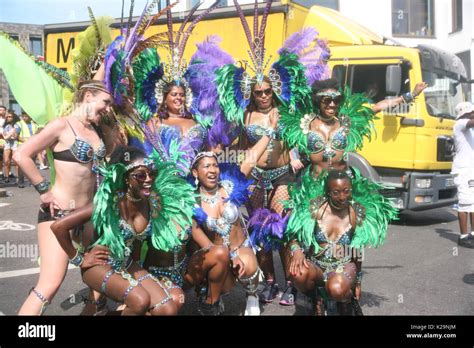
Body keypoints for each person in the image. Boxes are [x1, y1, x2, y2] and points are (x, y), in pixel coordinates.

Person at [51, 145, 194, 315]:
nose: (148, 179)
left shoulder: (150, 203)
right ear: (127, 178)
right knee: (140, 301)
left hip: (127, 264)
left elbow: (141, 243)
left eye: (151, 173)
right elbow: (58, 226)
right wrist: (79, 259)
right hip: (100, 265)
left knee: (167, 309)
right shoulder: (109, 203)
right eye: (140, 175)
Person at [13, 80, 112, 315]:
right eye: (105, 102)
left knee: (99, 281)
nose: (108, 108)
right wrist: (44, 190)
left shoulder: (97, 129)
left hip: (89, 218)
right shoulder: (61, 125)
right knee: (49, 285)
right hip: (60, 216)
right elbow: (21, 155)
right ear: (88, 96)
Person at [285, 169, 396, 315]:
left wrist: (357, 282)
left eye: (346, 191)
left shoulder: (356, 214)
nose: (342, 197)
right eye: (336, 192)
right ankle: (315, 300)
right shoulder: (314, 209)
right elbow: (291, 235)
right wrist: (297, 250)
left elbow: (357, 252)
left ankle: (346, 302)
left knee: (337, 288)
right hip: (316, 265)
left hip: (342, 266)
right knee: (298, 273)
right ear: (327, 191)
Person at [452, 102, 474, 248]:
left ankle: (472, 234)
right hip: (463, 170)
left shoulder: (469, 129)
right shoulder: (460, 124)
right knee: (465, 204)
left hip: (470, 169)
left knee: (473, 203)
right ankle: (463, 236)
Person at [17, 112, 40, 188]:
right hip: (22, 146)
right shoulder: (19, 124)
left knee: (32, 164)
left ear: (30, 117)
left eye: (26, 116)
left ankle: (32, 181)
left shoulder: (35, 125)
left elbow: (38, 134)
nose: (24, 118)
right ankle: (21, 181)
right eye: (23, 116)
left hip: (32, 146)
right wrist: (24, 140)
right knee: (21, 165)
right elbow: (16, 136)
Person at [2, 110, 20, 184]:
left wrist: (11, 134)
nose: (8, 118)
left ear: (13, 118)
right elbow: (5, 136)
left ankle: (19, 178)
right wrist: (11, 133)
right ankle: (6, 176)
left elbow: (15, 136)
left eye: (10, 117)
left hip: (14, 144)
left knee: (16, 162)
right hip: (7, 144)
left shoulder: (17, 126)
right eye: (7, 117)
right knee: (6, 161)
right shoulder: (4, 126)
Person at [0, 105, 6, 183]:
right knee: (1, 157)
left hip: (7, 139)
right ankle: (1, 173)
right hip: (0, 139)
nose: (1, 111)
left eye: (2, 110)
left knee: (7, 158)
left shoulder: (8, 119)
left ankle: (8, 173)